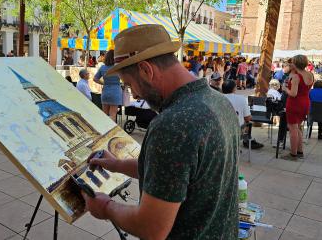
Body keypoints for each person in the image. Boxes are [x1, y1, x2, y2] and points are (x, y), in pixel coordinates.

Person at [83, 24, 239, 239]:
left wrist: (106, 207)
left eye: (129, 84)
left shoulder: (173, 124)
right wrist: (117, 165)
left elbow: (151, 227)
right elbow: (177, 174)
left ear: (146, 70)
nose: (135, 95)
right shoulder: (218, 100)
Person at [282, 55, 314, 160]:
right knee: (298, 127)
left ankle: (293, 154)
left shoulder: (296, 77)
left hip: (294, 103)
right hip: (305, 103)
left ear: (295, 64)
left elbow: (293, 93)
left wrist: (285, 88)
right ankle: (300, 151)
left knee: (292, 129)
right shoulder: (310, 74)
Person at [222, 80, 264, 149]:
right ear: (234, 88)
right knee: (248, 122)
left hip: (221, 130)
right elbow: (248, 118)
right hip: (236, 131)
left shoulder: (217, 98)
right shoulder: (241, 99)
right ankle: (246, 141)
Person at [94, 50, 122, 122]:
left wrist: (103, 83)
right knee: (112, 115)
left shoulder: (102, 68)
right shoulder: (117, 67)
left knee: (104, 115)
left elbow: (95, 79)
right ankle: (112, 131)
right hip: (115, 92)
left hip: (105, 91)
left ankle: (104, 130)